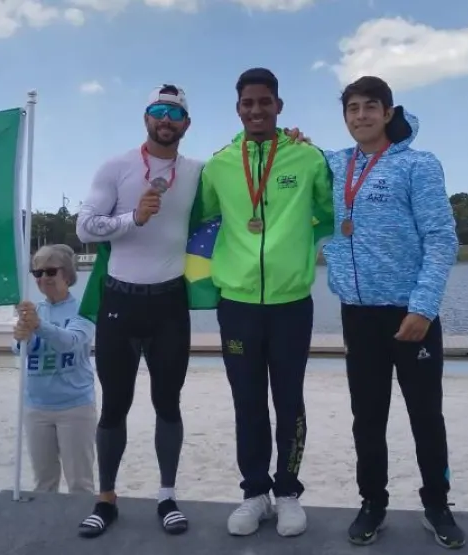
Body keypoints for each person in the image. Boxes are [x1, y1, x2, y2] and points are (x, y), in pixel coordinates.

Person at [320, 75, 464, 549]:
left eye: (369, 107)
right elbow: (291, 159)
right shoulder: (334, 165)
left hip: (411, 314)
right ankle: (372, 504)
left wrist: (423, 307)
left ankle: (437, 504)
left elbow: (442, 239)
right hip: (358, 315)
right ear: (345, 118)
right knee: (368, 417)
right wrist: (293, 138)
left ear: (388, 112)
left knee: (426, 415)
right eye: (352, 109)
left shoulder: (418, 166)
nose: (360, 116)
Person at [192, 67, 333, 538]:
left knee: (289, 401)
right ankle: (255, 493)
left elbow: (333, 212)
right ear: (238, 109)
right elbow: (201, 216)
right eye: (248, 103)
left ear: (279, 106)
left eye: (265, 102)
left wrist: (300, 247)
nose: (257, 110)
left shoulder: (308, 156)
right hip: (236, 303)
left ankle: (288, 492)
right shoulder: (219, 164)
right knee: (247, 401)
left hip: (292, 301)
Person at [74, 84, 202, 538]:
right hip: (119, 303)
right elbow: (85, 227)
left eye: (176, 113)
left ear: (187, 124)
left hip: (169, 304)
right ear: (146, 117)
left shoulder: (197, 172)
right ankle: (106, 499)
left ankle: (166, 496)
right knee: (115, 406)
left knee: (168, 404)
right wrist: (134, 219)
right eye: (158, 111)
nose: (166, 119)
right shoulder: (117, 167)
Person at [12, 244, 97, 496]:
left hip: (75, 407)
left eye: (50, 272)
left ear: (67, 275)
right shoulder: (33, 310)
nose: (43, 278)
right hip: (36, 406)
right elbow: (20, 350)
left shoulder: (85, 309)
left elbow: (69, 341)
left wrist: (38, 326)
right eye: (37, 273)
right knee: (44, 483)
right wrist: (20, 337)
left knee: (80, 483)